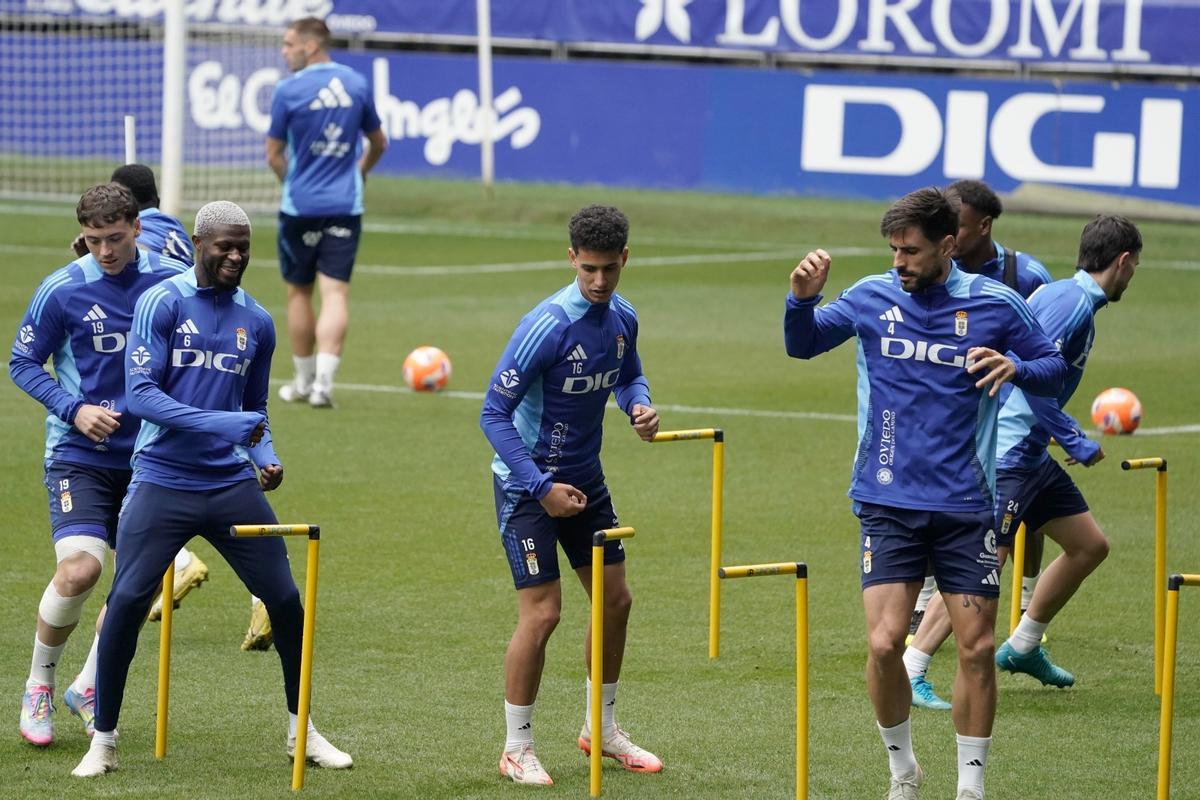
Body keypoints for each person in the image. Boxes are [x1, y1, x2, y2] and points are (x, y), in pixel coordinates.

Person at [783, 187, 1066, 800]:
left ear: (947, 244)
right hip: (887, 501)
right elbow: (801, 343)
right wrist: (800, 302)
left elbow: (1053, 366)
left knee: (979, 646)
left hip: (968, 505)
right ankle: (902, 770)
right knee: (885, 644)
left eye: (910, 251)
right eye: (892, 249)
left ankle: (971, 787)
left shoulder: (998, 305)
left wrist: (1018, 368)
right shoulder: (870, 296)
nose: (898, 262)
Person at [71, 201, 352, 777]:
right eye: (224, 245)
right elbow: (142, 397)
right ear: (200, 243)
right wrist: (226, 427)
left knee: (287, 603)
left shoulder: (260, 321)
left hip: (229, 485)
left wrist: (265, 456)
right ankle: (103, 741)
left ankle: (302, 730)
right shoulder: (162, 301)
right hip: (161, 480)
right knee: (125, 603)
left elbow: (255, 410)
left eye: (243, 246)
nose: (235, 255)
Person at [905, 215, 1140, 706]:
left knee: (1089, 545)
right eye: (1134, 265)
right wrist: (1073, 438)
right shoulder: (1071, 304)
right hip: (1008, 452)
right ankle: (914, 665)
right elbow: (1026, 376)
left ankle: (1025, 644)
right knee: (985, 560)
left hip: (1029, 454)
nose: (1133, 273)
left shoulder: (1072, 299)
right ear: (1122, 262)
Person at [480, 205, 663, 786]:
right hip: (526, 489)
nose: (600, 281)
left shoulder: (623, 318)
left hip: (586, 484)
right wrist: (540, 487)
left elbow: (628, 371)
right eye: (589, 269)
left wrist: (638, 403)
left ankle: (600, 729)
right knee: (545, 613)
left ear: (625, 259)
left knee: (617, 601)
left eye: (610, 268)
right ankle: (516, 747)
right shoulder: (548, 324)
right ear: (571, 259)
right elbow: (493, 414)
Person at [10, 183, 188, 746]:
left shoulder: (169, 283)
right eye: (93, 240)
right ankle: (39, 683)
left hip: (150, 458)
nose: (105, 252)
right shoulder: (62, 289)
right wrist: (74, 407)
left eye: (114, 239)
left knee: (138, 583)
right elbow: (22, 361)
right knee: (81, 570)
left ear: (138, 227)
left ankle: (86, 686)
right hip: (79, 454)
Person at [905, 179, 1055, 709]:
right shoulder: (929, 277)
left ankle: (1024, 609)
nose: (949, 234)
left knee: (1041, 522)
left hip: (1019, 427)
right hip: (963, 435)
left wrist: (1045, 408)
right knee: (950, 510)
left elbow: (1046, 354)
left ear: (981, 226)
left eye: (958, 225)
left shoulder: (1026, 278)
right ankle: (925, 618)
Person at [76, 164, 214, 625]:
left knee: (164, 500)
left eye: (113, 238)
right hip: (196, 377)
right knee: (219, 498)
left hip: (150, 393)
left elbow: (137, 270)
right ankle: (259, 595)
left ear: (133, 218)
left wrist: (87, 260)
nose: (105, 249)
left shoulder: (148, 239)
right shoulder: (176, 228)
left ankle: (176, 564)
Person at [267, 16, 387, 409]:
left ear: (310, 45)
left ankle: (301, 382)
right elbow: (378, 141)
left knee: (299, 292)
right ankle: (323, 385)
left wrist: (291, 183)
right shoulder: (356, 83)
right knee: (335, 292)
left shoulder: (288, 91)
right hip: (344, 205)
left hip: (299, 206)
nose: (285, 52)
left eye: (288, 44)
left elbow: (273, 154)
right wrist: (360, 173)